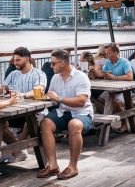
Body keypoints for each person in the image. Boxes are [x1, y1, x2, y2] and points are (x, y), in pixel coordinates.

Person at [37, 49, 93, 180]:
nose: (51, 66)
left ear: (62, 63)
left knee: (73, 125)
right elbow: (51, 96)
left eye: (53, 63)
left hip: (82, 113)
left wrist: (60, 98)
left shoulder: (81, 77)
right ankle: (53, 166)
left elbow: (81, 101)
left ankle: (73, 167)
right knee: (45, 123)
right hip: (63, 112)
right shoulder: (56, 78)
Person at [0, 47, 47, 163]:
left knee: (31, 119)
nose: (15, 63)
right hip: (14, 109)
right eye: (14, 60)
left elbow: (38, 90)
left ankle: (17, 150)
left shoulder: (39, 74)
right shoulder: (14, 74)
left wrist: (22, 95)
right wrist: (0, 89)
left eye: (18, 60)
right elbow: (2, 87)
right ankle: (18, 151)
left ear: (27, 59)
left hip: (35, 110)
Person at [96, 43, 133, 133]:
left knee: (116, 103)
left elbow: (130, 77)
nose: (106, 55)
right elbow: (102, 74)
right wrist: (95, 72)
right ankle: (105, 123)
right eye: (106, 53)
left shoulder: (125, 62)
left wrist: (115, 78)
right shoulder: (108, 62)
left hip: (124, 91)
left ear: (116, 52)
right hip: (111, 90)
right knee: (98, 101)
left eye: (108, 53)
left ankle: (124, 124)